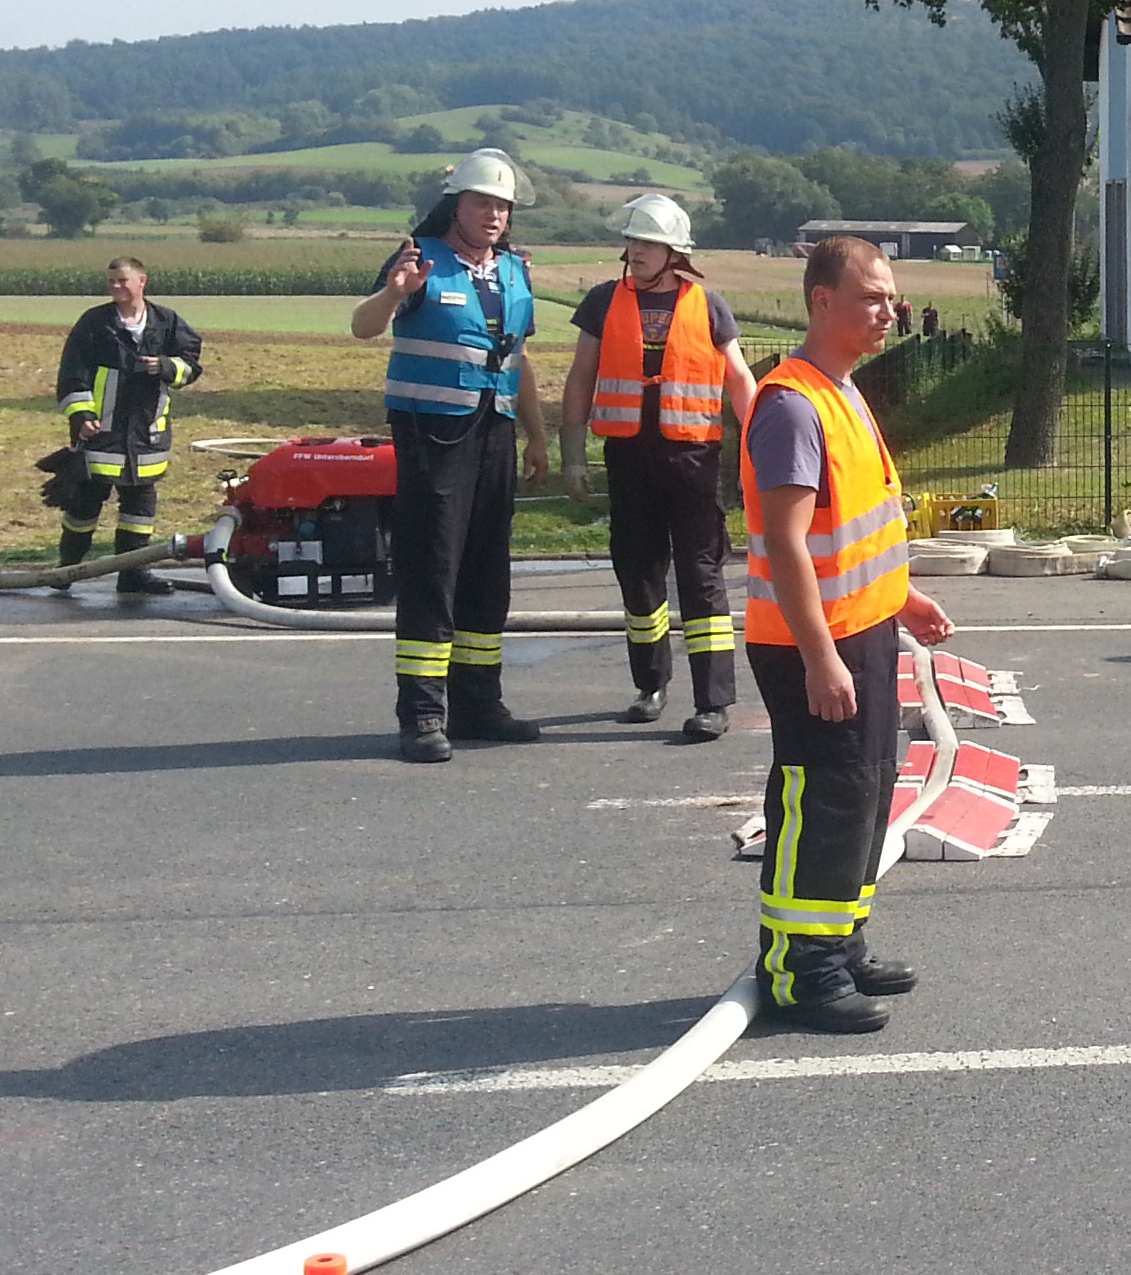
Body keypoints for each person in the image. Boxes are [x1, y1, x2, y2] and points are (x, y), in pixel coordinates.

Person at [739, 235, 954, 1032]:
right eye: (871, 298)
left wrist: (902, 598)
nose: (888, 311)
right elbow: (786, 543)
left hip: (861, 631)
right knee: (823, 800)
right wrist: (820, 658)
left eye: (891, 297)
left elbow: (853, 531)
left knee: (863, 794)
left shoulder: (842, 391)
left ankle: (839, 944)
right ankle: (802, 972)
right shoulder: (793, 405)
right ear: (821, 301)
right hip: (813, 644)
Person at [352, 150, 551, 762]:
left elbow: (518, 361)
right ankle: (421, 715)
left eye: (502, 206)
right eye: (482, 203)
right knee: (433, 570)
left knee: (487, 574)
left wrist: (538, 436)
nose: (494, 215)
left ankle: (478, 705)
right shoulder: (418, 259)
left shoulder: (513, 270)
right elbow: (362, 326)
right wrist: (393, 294)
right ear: (456, 206)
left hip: (495, 433)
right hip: (433, 438)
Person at [560, 195, 758, 739]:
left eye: (648, 242)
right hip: (628, 458)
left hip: (693, 461)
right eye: (632, 241)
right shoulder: (603, 302)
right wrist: (572, 455)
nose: (636, 251)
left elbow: (739, 379)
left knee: (701, 576)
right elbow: (581, 376)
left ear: (675, 253)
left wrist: (762, 445)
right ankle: (650, 686)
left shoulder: (709, 306)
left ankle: (713, 701)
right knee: (638, 573)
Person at [52, 256, 203, 598]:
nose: (115, 286)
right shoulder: (95, 323)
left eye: (122, 280)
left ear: (141, 282)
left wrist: (165, 366)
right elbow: (73, 373)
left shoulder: (166, 322)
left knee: (140, 508)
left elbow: (191, 364)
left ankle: (134, 574)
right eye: (111, 281)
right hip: (100, 432)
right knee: (84, 504)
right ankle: (67, 567)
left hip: (147, 433)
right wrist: (80, 415)